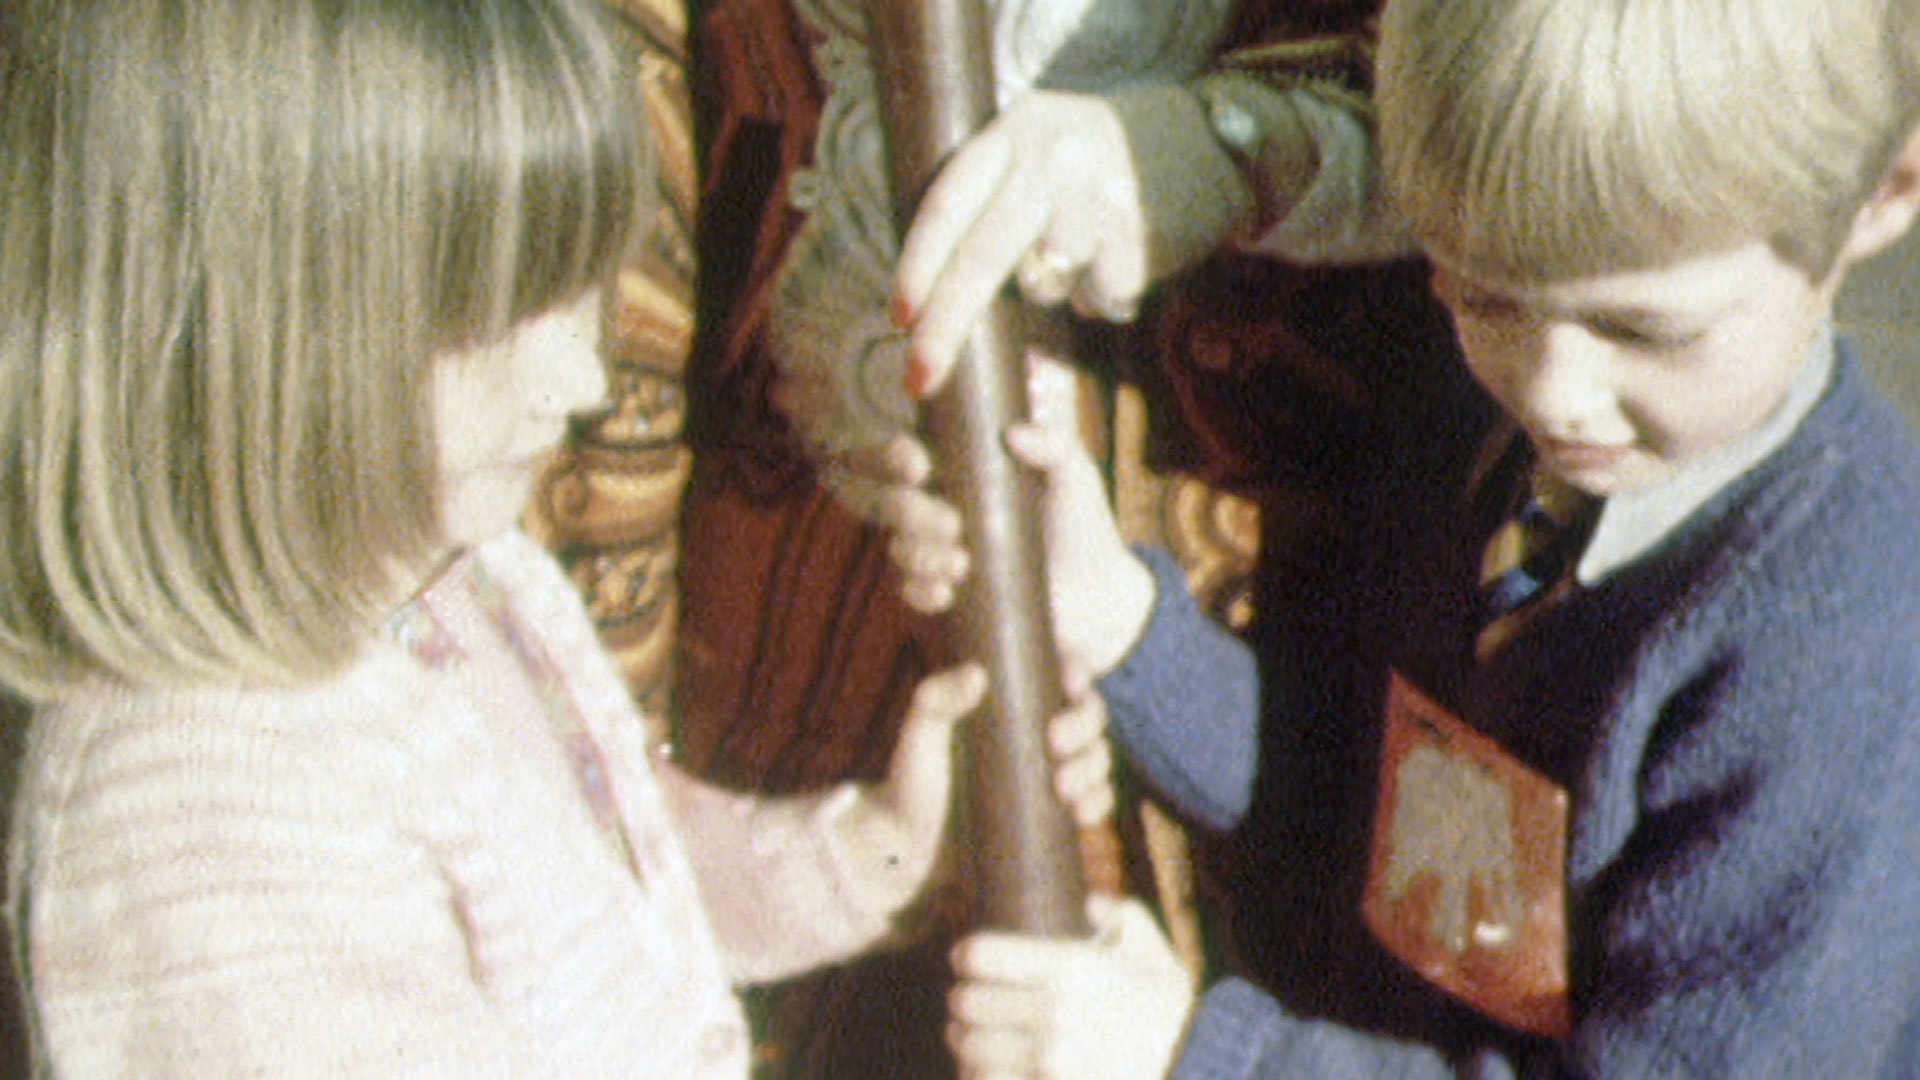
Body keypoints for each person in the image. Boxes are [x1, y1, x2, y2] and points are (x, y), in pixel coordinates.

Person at [0, 0, 1114, 1074]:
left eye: (580, 296)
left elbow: (604, 889)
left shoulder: (444, 577)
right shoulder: (203, 828)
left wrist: (880, 848)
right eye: (496, 315)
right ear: (243, 329)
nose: (580, 381)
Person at [887, 0, 1920, 1074]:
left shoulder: (1848, 647)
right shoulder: (1483, 434)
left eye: (1642, 328)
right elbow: (1372, 819)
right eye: (1485, 299)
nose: (1555, 393)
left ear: (1882, 195)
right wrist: (1124, 622)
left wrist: (1202, 1056)